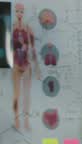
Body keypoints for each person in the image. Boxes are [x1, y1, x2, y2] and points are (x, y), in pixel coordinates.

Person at [11, 2, 40, 131]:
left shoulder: (29, 29)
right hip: (16, 64)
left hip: (26, 64)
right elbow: (8, 48)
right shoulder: (12, 29)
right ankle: (16, 119)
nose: (20, 14)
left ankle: (26, 120)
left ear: (24, 13)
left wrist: (37, 69)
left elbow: (33, 50)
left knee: (26, 95)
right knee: (17, 94)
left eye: (22, 11)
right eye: (17, 11)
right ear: (14, 12)